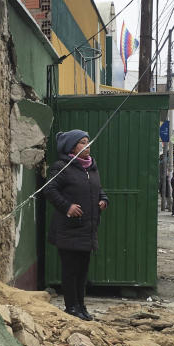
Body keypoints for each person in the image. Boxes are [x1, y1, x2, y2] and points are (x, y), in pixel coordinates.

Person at [42, 129, 108, 322]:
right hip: (69, 229)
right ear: (72, 147)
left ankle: (81, 306)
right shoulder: (62, 167)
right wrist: (67, 207)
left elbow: (98, 189)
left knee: (82, 271)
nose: (87, 146)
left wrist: (104, 199)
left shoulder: (91, 167)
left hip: (88, 229)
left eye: (88, 142)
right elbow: (50, 189)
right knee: (71, 271)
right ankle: (71, 307)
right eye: (82, 143)